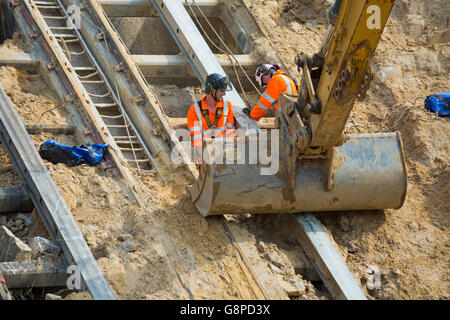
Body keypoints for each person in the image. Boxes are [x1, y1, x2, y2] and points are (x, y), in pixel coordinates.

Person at [187, 73, 237, 150]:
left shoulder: (227, 106)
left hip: (224, 151)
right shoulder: (194, 110)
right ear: (213, 90)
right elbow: (196, 141)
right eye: (221, 90)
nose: (224, 94)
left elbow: (231, 132)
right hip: (205, 154)